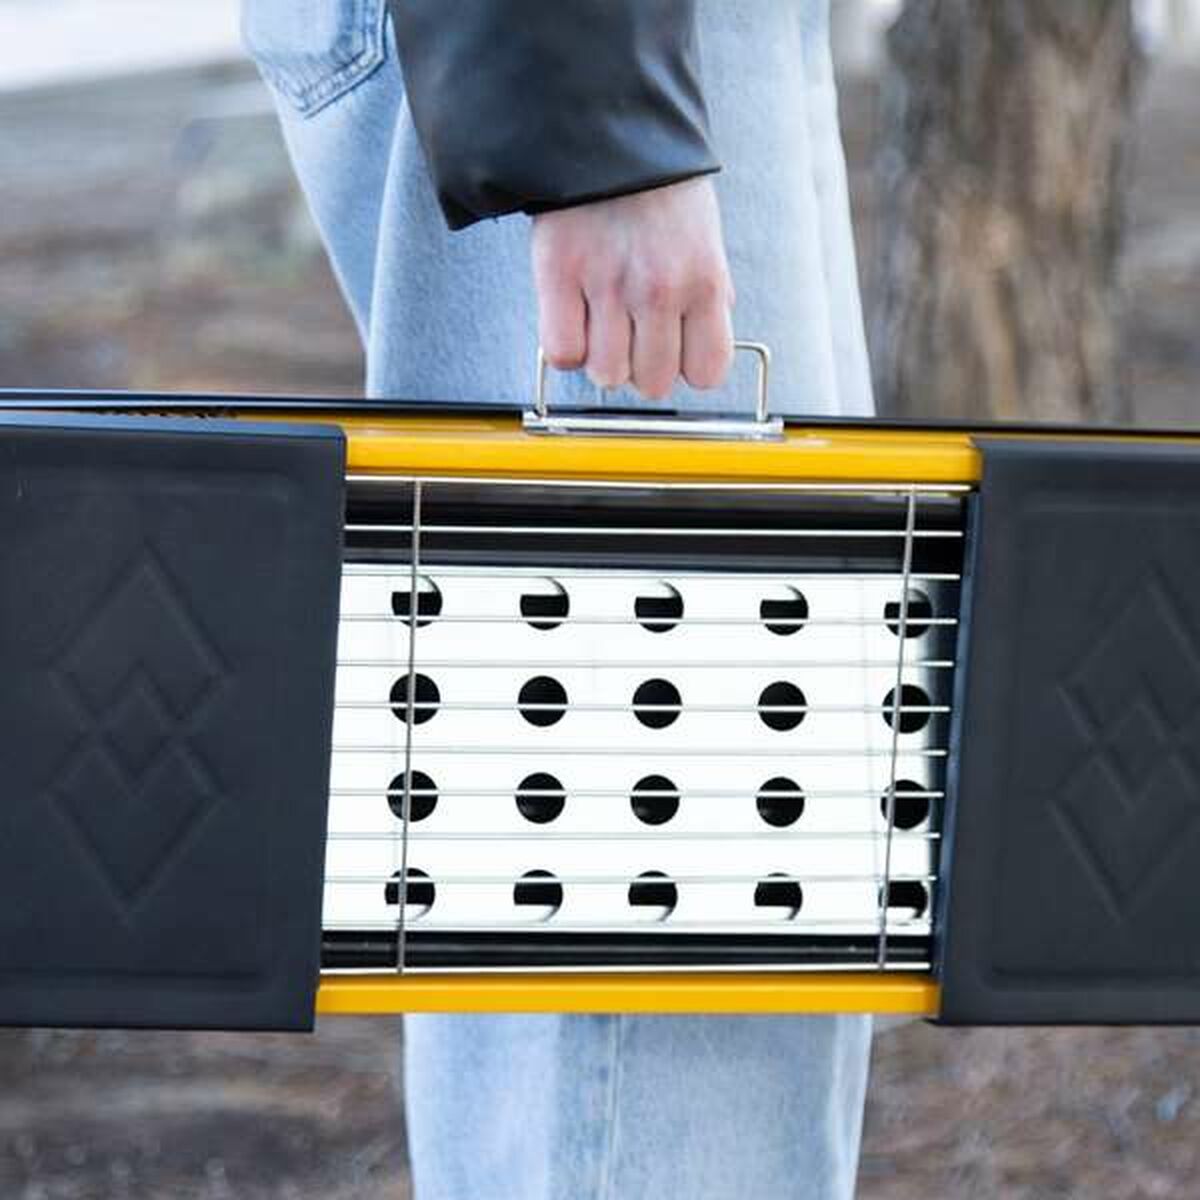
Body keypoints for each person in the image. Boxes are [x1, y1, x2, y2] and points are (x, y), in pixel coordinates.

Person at [242, 2, 875, 1196]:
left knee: (733, 935)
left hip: (647, 59)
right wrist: (596, 121)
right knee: (669, 968)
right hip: (605, 54)